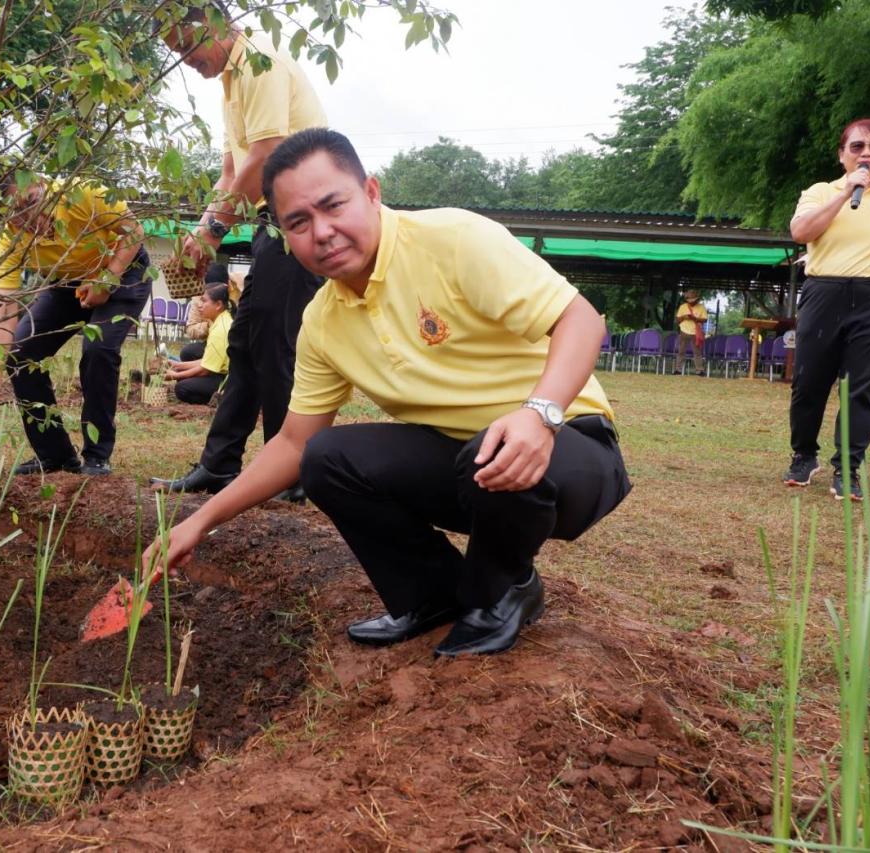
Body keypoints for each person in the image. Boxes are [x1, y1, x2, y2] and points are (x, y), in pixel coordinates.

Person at [145, 129, 630, 657]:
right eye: (299, 223)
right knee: (325, 459)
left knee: (491, 446)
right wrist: (199, 521)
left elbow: (580, 319)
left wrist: (539, 414)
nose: (323, 233)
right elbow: (292, 443)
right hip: (467, 462)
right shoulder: (324, 321)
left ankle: (504, 590)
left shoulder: (452, 239)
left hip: (567, 447)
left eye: (334, 206)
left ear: (371, 193)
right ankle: (433, 595)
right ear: (284, 235)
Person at [149, 0, 327, 499]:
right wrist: (204, 232)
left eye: (185, 45)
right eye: (173, 51)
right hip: (275, 218)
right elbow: (233, 174)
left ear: (214, 23)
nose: (184, 58)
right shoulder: (230, 86)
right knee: (246, 341)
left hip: (306, 215)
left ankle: (290, 471)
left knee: (275, 341)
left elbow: (269, 154)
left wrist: (210, 233)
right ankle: (220, 465)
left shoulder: (257, 60)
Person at [0, 173, 149, 477]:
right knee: (21, 353)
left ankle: (96, 456)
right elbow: (3, 313)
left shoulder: (83, 193)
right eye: (16, 216)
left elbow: (134, 230)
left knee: (99, 349)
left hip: (123, 267)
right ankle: (55, 455)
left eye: (31, 202)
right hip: (67, 281)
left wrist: (107, 279)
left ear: (41, 183)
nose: (31, 219)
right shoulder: (9, 243)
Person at [783, 118, 870, 501]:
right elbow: (801, 233)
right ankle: (804, 454)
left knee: (862, 386)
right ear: (842, 155)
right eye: (857, 147)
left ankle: (848, 468)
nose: (866, 153)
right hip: (825, 292)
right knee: (809, 382)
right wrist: (847, 192)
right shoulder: (820, 192)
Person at [167, 280, 233, 404]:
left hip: (226, 380)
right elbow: (206, 361)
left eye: (204, 301)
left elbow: (205, 369)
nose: (199, 305)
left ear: (218, 305)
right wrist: (176, 365)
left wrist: (175, 375)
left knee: (181, 388)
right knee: (182, 377)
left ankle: (221, 398)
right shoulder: (218, 321)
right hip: (219, 373)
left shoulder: (220, 330)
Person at [182, 262, 229, 341]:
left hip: (232, 342)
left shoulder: (236, 295)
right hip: (209, 340)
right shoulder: (199, 299)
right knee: (187, 351)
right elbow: (190, 330)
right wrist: (209, 326)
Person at [672, 289, 707, 376]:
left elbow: (705, 319)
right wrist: (684, 317)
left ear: (696, 299)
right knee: (681, 351)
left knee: (697, 352)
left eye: (693, 300)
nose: (691, 302)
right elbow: (677, 320)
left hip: (695, 332)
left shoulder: (701, 307)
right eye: (689, 300)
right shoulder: (683, 307)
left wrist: (694, 318)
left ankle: (699, 370)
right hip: (684, 330)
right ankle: (678, 369)